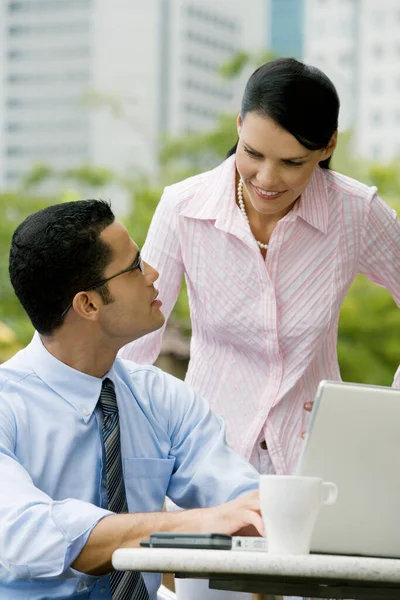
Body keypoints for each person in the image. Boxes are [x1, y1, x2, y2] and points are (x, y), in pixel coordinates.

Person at [120, 58, 400, 487]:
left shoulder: (355, 211)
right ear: (238, 127)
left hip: (319, 465)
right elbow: (133, 341)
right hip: (204, 459)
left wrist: (384, 413)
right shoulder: (183, 207)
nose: (266, 179)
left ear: (327, 146)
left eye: (292, 162)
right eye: (252, 153)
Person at [0, 199, 263, 600]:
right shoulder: (6, 404)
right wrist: (188, 524)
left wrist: (274, 510)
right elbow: (25, 533)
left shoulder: (162, 399)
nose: (154, 275)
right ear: (88, 304)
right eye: (136, 266)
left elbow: (238, 502)